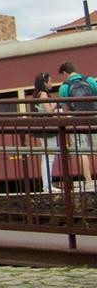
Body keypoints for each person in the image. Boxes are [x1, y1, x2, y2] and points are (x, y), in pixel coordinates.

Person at [58, 61, 97, 192]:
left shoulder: (64, 87)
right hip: (94, 118)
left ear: (64, 73)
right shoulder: (90, 80)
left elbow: (66, 109)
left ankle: (89, 182)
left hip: (77, 121)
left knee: (82, 151)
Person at [31, 72, 60, 193]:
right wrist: (54, 104)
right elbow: (49, 111)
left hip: (41, 127)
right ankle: (47, 186)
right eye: (50, 80)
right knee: (49, 157)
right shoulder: (43, 94)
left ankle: (47, 185)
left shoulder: (36, 94)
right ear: (45, 82)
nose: (51, 82)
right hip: (47, 128)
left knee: (46, 156)